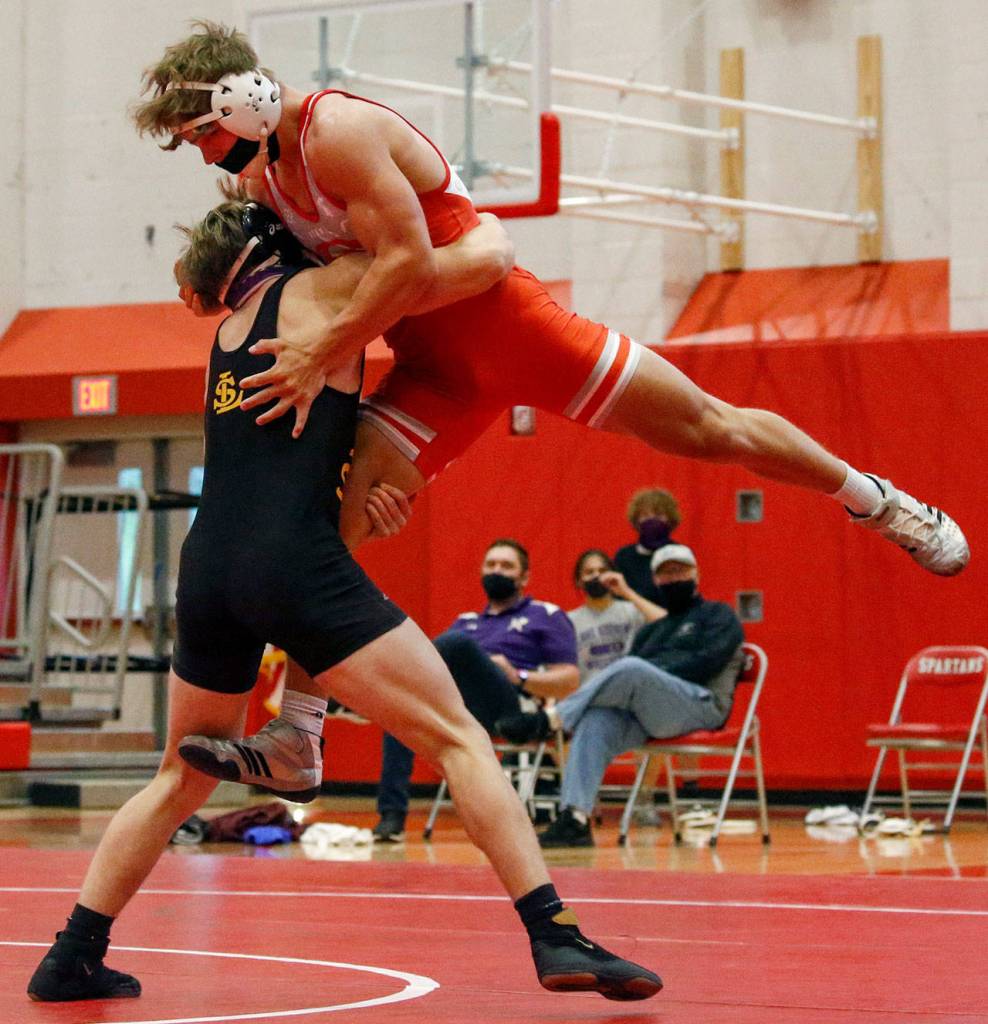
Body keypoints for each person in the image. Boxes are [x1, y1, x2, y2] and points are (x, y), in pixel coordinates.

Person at [134, 20, 968, 812]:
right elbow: (393, 275)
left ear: (246, 97)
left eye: (203, 131)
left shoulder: (337, 134)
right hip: (433, 370)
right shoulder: (259, 179)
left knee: (711, 428)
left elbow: (409, 263)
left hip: (515, 331)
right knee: (334, 519)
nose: (205, 153)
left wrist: (341, 339)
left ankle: (879, 500)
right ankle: (301, 739)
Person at [25, 200, 662, 1003]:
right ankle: (556, 936)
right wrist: (491, 229)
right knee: (460, 736)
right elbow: (462, 266)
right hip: (290, 559)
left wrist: (356, 496)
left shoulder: (229, 331)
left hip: (211, 562)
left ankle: (74, 951)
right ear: (279, 239)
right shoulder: (327, 289)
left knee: (179, 773)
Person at [496, 544, 744, 848]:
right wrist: (650, 678)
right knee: (595, 720)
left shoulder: (718, 615)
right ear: (656, 581)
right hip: (654, 712)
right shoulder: (653, 630)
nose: (674, 578)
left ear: (696, 574)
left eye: (681, 571)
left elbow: (707, 661)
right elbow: (635, 680)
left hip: (702, 706)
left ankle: (551, 720)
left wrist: (655, 674)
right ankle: (575, 818)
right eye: (667, 573)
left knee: (631, 668)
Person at [373, 538, 580, 842]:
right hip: (463, 706)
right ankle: (391, 816)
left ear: (524, 577)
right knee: (404, 710)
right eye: (491, 565)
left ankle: (376, 687)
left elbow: (570, 680)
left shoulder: (545, 615)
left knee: (457, 647)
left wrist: (518, 675)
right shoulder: (467, 622)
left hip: (515, 707)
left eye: (506, 566)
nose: (497, 570)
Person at [568, 548, 665, 682]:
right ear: (579, 581)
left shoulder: (632, 610)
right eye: (589, 572)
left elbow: (668, 624)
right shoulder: (569, 621)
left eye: (602, 571)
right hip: (589, 696)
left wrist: (627, 592)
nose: (597, 576)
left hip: (630, 693)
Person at [612, 489, 682, 603]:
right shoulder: (623, 556)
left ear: (669, 520)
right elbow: (617, 598)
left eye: (658, 515)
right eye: (645, 515)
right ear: (637, 520)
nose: (652, 521)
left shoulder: (680, 554)